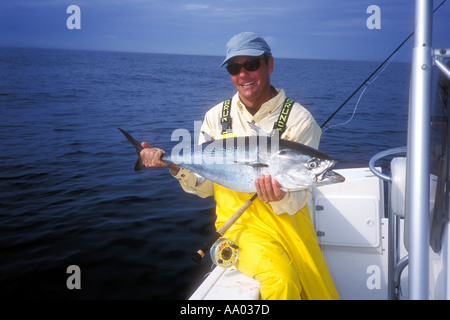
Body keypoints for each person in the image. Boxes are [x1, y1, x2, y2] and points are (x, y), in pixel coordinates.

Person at [140, 32, 339, 300]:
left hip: (291, 225)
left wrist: (279, 197)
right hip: (240, 226)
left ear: (269, 65)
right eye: (234, 68)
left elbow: (300, 195)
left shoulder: (299, 121)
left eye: (251, 64)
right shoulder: (215, 117)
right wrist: (173, 166)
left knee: (314, 289)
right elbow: (205, 188)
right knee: (281, 281)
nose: (243, 74)